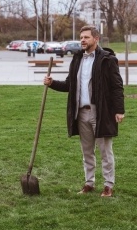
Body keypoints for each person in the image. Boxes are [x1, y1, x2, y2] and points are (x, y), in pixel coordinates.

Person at [43, 25, 125, 197]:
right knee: (87, 151)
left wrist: (119, 110)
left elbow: (116, 86)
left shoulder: (107, 59)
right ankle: (90, 183)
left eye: (86, 37)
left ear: (96, 39)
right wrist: (52, 84)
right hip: (81, 113)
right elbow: (69, 85)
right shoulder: (77, 59)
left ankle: (108, 185)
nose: (82, 40)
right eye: (81, 37)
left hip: (101, 112)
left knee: (105, 151)